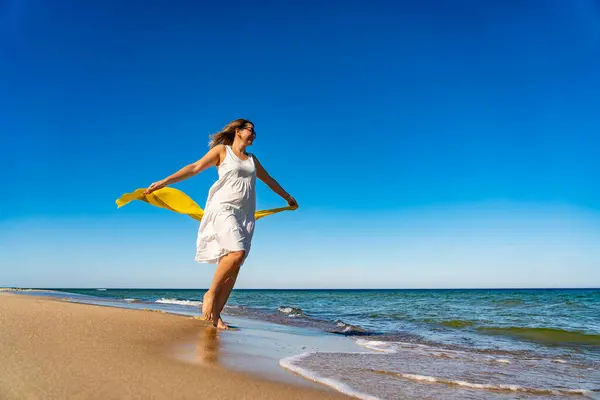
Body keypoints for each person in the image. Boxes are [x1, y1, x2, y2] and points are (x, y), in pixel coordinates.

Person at [143, 119, 297, 329]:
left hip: (245, 215)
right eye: (250, 130)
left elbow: (268, 179)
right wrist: (164, 181)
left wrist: (287, 197)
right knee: (236, 253)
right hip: (223, 207)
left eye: (255, 131)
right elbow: (195, 167)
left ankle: (216, 316)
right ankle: (210, 295)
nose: (254, 134)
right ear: (237, 131)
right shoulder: (222, 151)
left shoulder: (252, 160)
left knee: (235, 266)